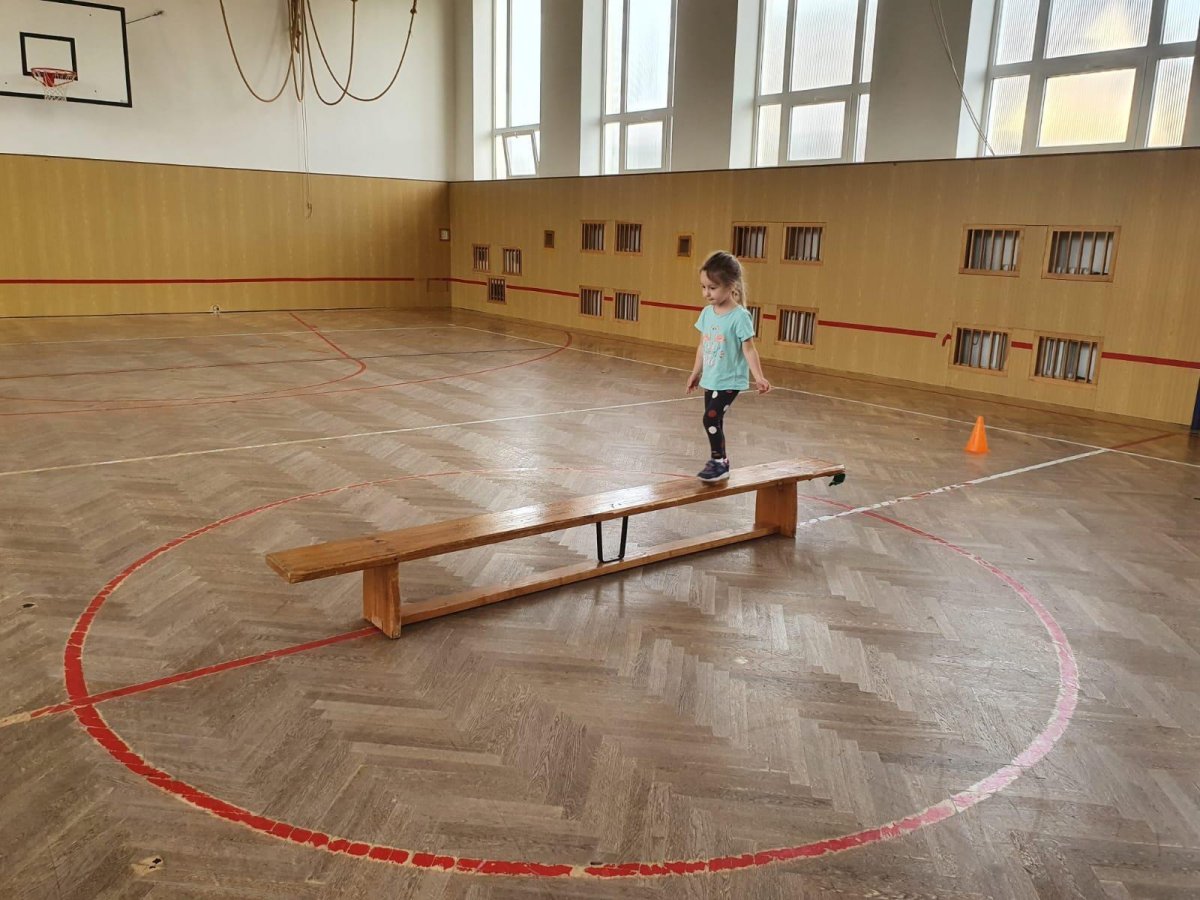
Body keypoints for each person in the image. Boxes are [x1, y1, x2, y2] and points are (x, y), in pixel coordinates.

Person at [685, 251, 772, 483]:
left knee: (710, 419)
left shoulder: (739, 316)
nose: (706, 293)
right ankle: (720, 461)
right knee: (715, 421)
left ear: (731, 285)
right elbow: (703, 346)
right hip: (711, 378)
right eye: (703, 287)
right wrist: (695, 373)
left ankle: (719, 461)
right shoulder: (707, 313)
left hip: (730, 380)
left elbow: (749, 349)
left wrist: (759, 377)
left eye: (712, 288)